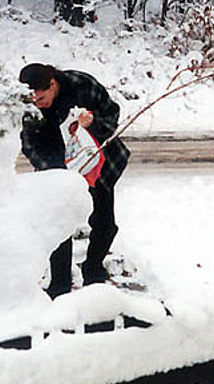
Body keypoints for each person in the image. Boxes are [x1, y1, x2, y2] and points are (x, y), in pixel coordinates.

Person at [19, 63, 131, 299]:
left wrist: (94, 122)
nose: (38, 104)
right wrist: (56, 171)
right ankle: (60, 284)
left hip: (96, 163)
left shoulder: (81, 85)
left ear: (52, 84)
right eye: (33, 100)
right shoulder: (26, 105)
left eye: (42, 98)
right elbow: (29, 144)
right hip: (56, 167)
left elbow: (112, 113)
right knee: (59, 228)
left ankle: (93, 269)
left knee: (104, 223)